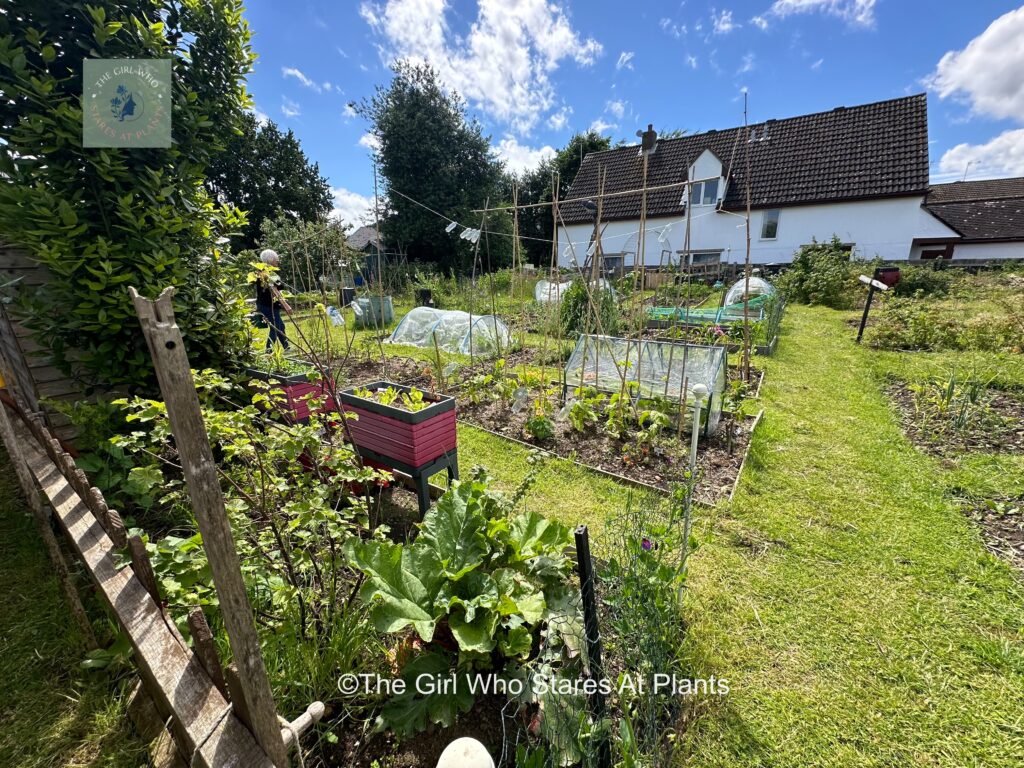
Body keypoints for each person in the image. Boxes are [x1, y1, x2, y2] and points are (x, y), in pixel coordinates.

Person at [255, 249, 291, 350]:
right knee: (275, 328)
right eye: (276, 260)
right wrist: (286, 306)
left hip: (267, 304)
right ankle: (268, 350)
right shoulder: (267, 273)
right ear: (270, 260)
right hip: (267, 305)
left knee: (280, 326)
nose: (277, 262)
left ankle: (286, 346)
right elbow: (274, 290)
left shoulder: (261, 272)